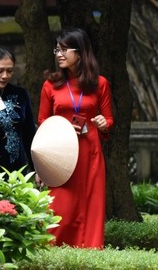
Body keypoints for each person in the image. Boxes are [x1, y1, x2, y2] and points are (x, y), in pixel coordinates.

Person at [38, 28, 113, 249]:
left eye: (64, 50)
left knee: (90, 203)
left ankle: (89, 251)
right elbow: (43, 122)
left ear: (80, 53)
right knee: (59, 205)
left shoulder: (100, 83)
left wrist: (103, 124)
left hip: (90, 152)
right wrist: (42, 164)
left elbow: (108, 119)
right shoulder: (50, 84)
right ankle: (53, 251)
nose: (58, 54)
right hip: (60, 152)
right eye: (57, 50)